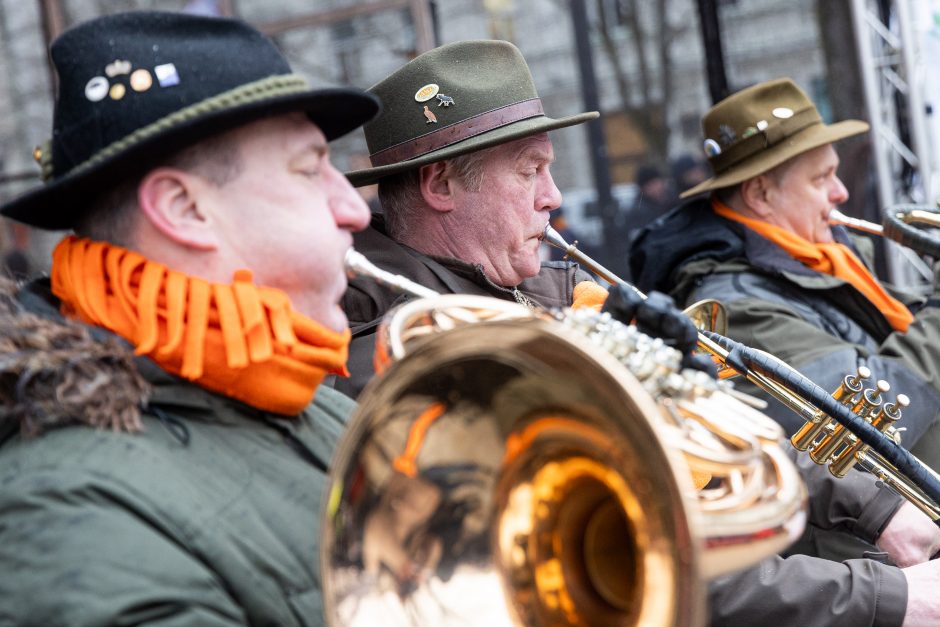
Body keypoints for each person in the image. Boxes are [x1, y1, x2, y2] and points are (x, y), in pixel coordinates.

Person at [0, 11, 380, 623]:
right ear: (184, 210)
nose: (354, 209)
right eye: (310, 169)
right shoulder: (69, 511)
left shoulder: (302, 393)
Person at [629, 77, 940, 624]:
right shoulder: (734, 303)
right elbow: (876, 424)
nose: (841, 193)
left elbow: (912, 322)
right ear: (761, 195)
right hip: (879, 569)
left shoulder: (823, 260)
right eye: (822, 178)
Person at [337, 39, 604, 399]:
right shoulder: (382, 342)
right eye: (530, 171)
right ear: (442, 185)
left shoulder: (569, 292)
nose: (552, 197)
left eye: (547, 169)